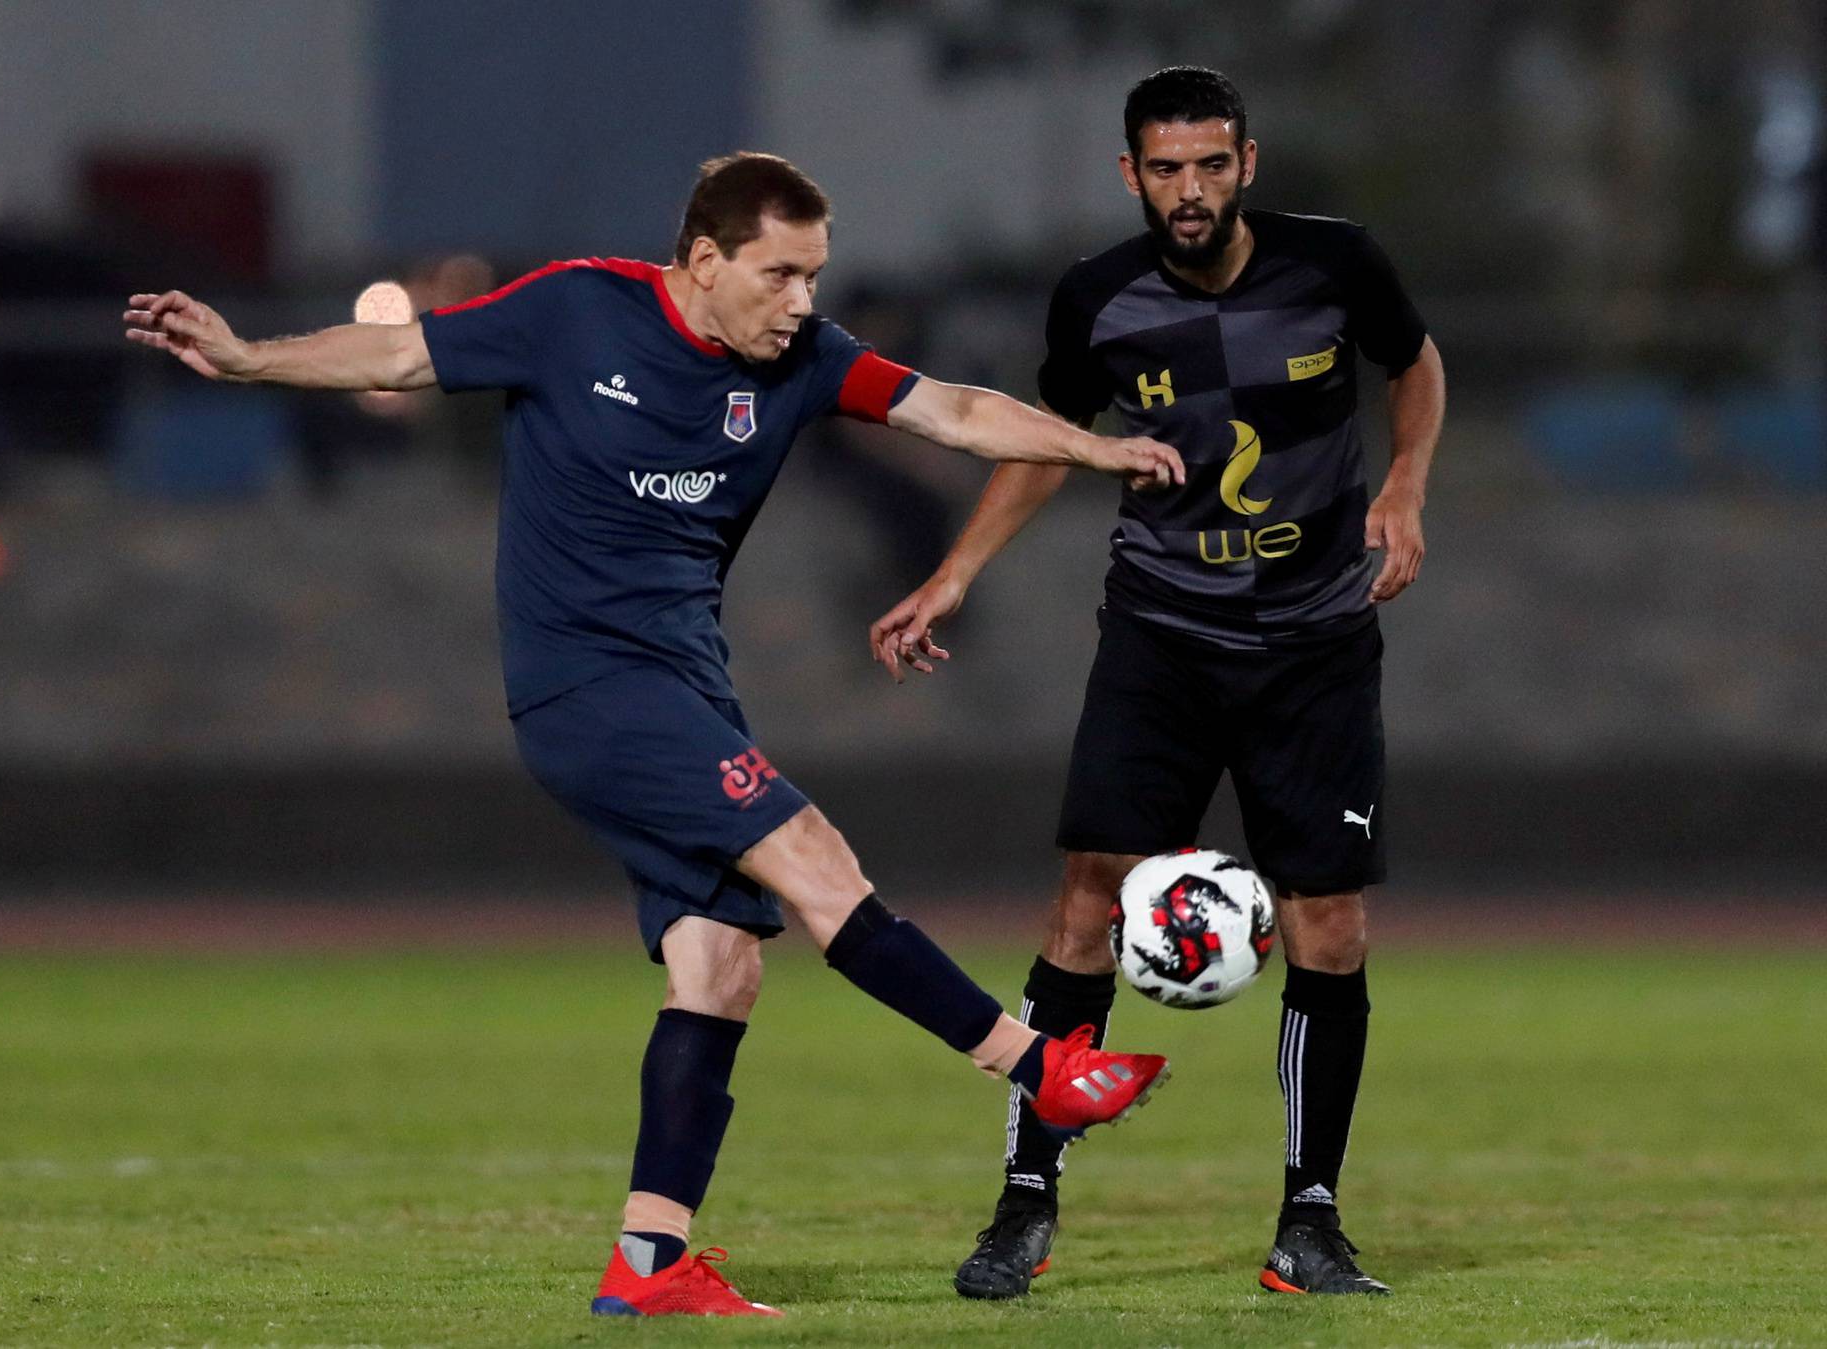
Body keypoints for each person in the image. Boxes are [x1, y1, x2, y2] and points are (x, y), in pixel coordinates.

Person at [124, 152, 1186, 1319]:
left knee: (721, 964)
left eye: (814, 276)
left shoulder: (806, 359)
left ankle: (650, 1259)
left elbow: (959, 412)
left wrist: (1098, 450)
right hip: (588, 687)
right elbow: (396, 352)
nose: (802, 302)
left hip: (686, 686)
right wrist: (244, 356)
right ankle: (1042, 1065)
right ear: (703, 262)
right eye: (779, 275)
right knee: (813, 855)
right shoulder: (577, 308)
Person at [870, 67, 1447, 1299]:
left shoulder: (1335, 264)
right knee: (1085, 902)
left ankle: (1313, 1219)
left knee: (1330, 928)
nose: (1191, 190)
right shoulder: (1097, 298)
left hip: (1315, 643)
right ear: (1131, 175)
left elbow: (1416, 363)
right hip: (1163, 639)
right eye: (1166, 170)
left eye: (1211, 164)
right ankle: (1025, 1200)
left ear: (1249, 162)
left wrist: (1402, 487)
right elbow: (1044, 441)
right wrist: (957, 570)